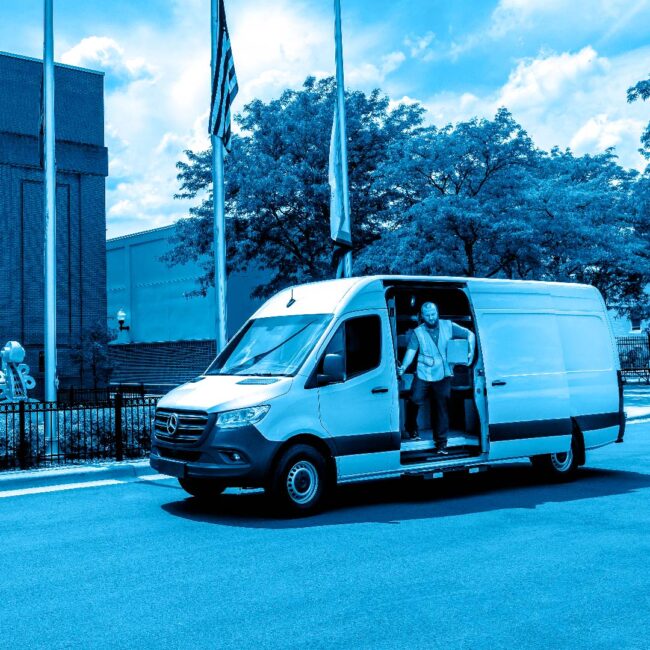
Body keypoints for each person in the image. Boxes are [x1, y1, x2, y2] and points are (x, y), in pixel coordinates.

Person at [397, 302, 475, 454]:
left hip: (443, 374)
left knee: (441, 408)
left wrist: (470, 351)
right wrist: (403, 368)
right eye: (427, 315)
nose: (431, 318)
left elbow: (470, 335)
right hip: (424, 373)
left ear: (437, 313)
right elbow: (411, 352)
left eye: (433, 314)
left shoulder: (448, 326)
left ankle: (441, 444)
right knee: (414, 399)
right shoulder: (418, 332)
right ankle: (411, 429)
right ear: (422, 316)